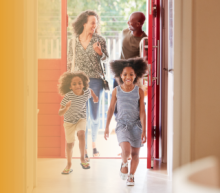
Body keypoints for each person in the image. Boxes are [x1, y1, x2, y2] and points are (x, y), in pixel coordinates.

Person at [67, 10, 109, 160]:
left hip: (96, 81)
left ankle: (94, 143)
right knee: (82, 117)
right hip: (79, 83)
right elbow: (69, 63)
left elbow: (106, 59)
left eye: (96, 23)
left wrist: (99, 53)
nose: (94, 25)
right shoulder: (73, 41)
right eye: (92, 22)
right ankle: (84, 148)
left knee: (95, 116)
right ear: (84, 23)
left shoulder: (99, 40)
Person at [104, 58, 147, 186]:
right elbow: (111, 108)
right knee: (127, 151)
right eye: (125, 74)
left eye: (131, 74)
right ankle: (124, 162)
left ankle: (131, 176)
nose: (128, 77)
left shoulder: (139, 91)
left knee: (135, 153)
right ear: (120, 75)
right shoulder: (116, 91)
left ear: (136, 75)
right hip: (122, 125)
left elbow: (142, 112)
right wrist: (106, 127)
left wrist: (144, 129)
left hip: (136, 125)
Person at [58, 71, 98, 173]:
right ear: (70, 86)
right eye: (74, 84)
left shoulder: (86, 92)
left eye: (80, 83)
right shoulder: (68, 96)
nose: (78, 85)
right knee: (70, 144)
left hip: (81, 118)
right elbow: (59, 113)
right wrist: (66, 108)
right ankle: (69, 164)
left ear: (83, 84)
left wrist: (95, 97)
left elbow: (91, 91)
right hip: (69, 121)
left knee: (81, 134)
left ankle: (82, 158)